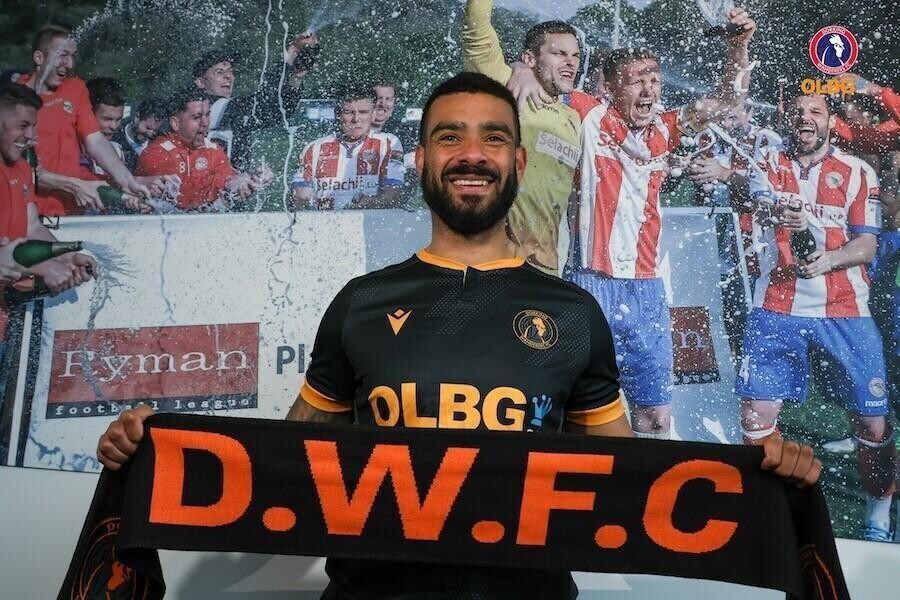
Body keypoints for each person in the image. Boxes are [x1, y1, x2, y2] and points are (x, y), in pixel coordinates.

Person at [98, 72, 821, 600]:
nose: (471, 153)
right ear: (421, 159)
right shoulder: (361, 302)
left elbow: (632, 481)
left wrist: (759, 485)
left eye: (493, 138)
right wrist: (154, 455)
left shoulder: (573, 312)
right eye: (450, 136)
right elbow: (289, 460)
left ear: (518, 162)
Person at [559, 7, 757, 440]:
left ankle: (646, 499)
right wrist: (521, 69)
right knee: (580, 415)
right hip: (589, 284)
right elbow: (546, 78)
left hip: (645, 290)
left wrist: (738, 46)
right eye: (637, 80)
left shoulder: (666, 129)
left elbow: (726, 99)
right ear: (610, 88)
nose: (650, 89)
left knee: (655, 417)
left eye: (655, 79)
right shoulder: (589, 115)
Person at [737, 90, 893, 542]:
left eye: (816, 112)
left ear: (830, 122)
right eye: (798, 112)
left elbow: (867, 244)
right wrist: (778, 211)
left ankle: (878, 511)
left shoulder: (857, 171)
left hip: (845, 311)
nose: (805, 118)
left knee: (872, 423)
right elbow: (758, 202)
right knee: (756, 418)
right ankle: (769, 509)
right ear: (787, 117)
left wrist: (826, 260)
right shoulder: (767, 161)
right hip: (775, 307)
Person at [463, 0, 584, 275]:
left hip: (545, 264)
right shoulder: (506, 87)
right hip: (493, 262)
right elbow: (476, 30)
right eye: (559, 53)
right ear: (530, 59)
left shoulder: (573, 118)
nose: (570, 62)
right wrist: (519, 70)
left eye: (575, 55)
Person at [0, 82, 97, 349]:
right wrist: (44, 267)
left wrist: (64, 256)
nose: (31, 136)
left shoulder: (20, 168)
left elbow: (31, 225)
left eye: (33, 127)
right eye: (22, 126)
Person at [13, 24, 148, 215]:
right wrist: (74, 185)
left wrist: (127, 181)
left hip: (72, 212)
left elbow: (95, 141)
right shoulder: (13, 99)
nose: (69, 64)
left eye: (72, 56)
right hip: (28, 213)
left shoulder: (76, 89)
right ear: (39, 58)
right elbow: (23, 169)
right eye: (62, 55)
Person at [194, 32, 319, 170]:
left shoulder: (232, 112)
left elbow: (280, 111)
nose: (228, 76)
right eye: (219, 72)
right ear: (201, 82)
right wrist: (289, 56)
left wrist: (296, 78)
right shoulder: (204, 109)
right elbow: (263, 103)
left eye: (230, 71)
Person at [136, 87, 272, 212]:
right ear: (175, 123)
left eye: (207, 115)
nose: (205, 123)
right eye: (197, 117)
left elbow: (228, 180)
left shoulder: (213, 150)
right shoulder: (157, 154)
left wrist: (246, 181)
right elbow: (179, 201)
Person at [292, 85, 404, 210]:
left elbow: (394, 196)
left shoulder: (388, 143)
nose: (356, 119)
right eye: (349, 112)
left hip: (370, 222)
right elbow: (299, 200)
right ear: (337, 114)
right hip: (324, 224)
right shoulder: (313, 148)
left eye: (363, 112)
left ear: (373, 115)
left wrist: (370, 203)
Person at [113, 97, 163, 171]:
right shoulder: (114, 137)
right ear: (137, 116)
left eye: (155, 131)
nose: (150, 134)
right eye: (148, 128)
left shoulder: (160, 143)